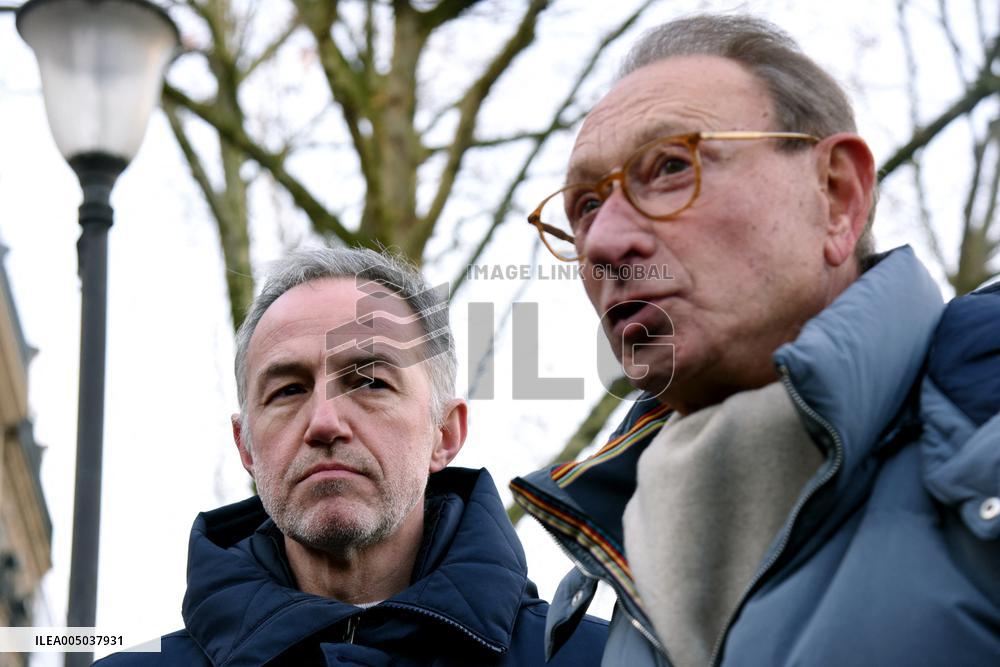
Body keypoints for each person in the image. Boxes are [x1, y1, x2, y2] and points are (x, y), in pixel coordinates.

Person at [512, 13, 1000, 667]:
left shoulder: (984, 440)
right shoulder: (598, 592)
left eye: (669, 167)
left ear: (836, 195)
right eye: (585, 206)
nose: (602, 242)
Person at [98, 247, 607, 666]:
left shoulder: (606, 658)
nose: (324, 421)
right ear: (245, 446)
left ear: (445, 434)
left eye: (370, 382)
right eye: (288, 390)